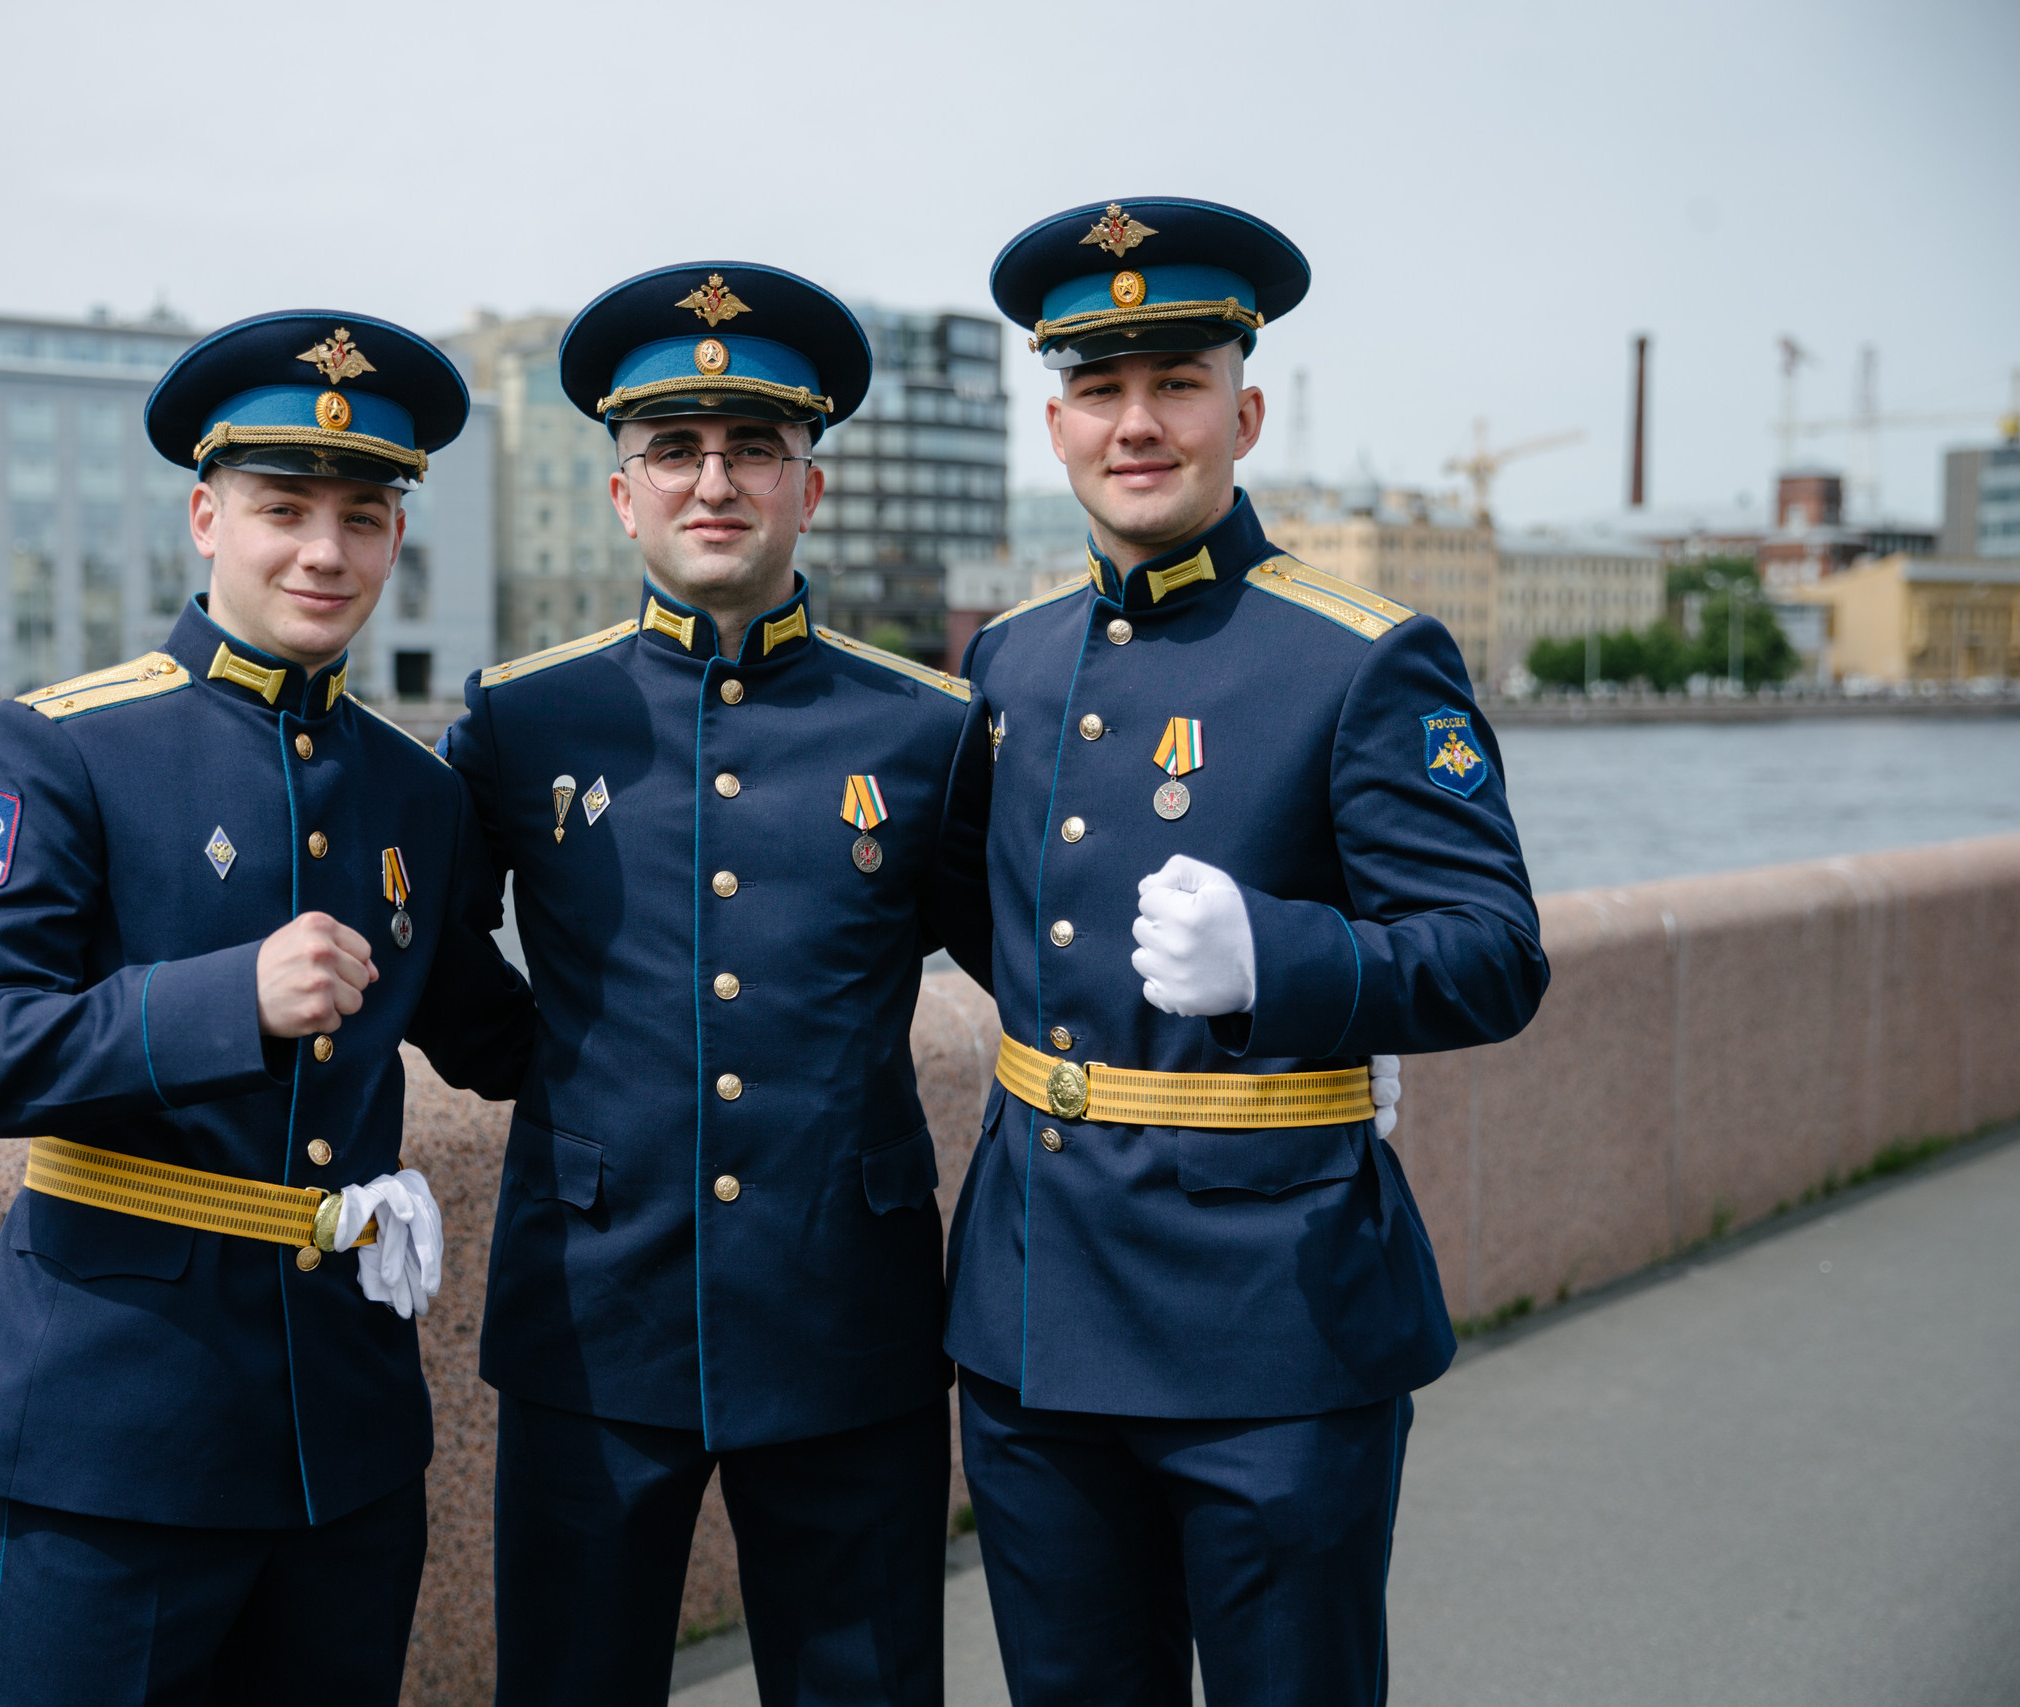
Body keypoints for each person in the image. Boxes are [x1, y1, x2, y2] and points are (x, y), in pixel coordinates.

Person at [942, 198, 1548, 1706]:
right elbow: (990, 918)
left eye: (1176, 384)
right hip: (1035, 1314)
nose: (1136, 425)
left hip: (1271, 1322)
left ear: (1246, 410)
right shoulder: (1009, 657)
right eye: (1099, 390)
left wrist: (1290, 969)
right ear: (1057, 421)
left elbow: (1492, 953)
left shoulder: (1362, 655)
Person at [0, 310, 535, 1705]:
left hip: (350, 1442)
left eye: (364, 515)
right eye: (283, 508)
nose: (325, 550)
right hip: (119, 1436)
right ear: (206, 515)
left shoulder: (414, 792)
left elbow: (506, 1041)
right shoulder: (65, 743)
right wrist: (222, 1002)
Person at [439, 262, 993, 1707]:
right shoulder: (521, 716)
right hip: (590, 1305)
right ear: (623, 496)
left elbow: (1033, 957)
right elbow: (437, 954)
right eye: (673, 451)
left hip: (844, 1312)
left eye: (756, 449)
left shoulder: (927, 730)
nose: (715, 481)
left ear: (812, 487)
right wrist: (557, 1073)